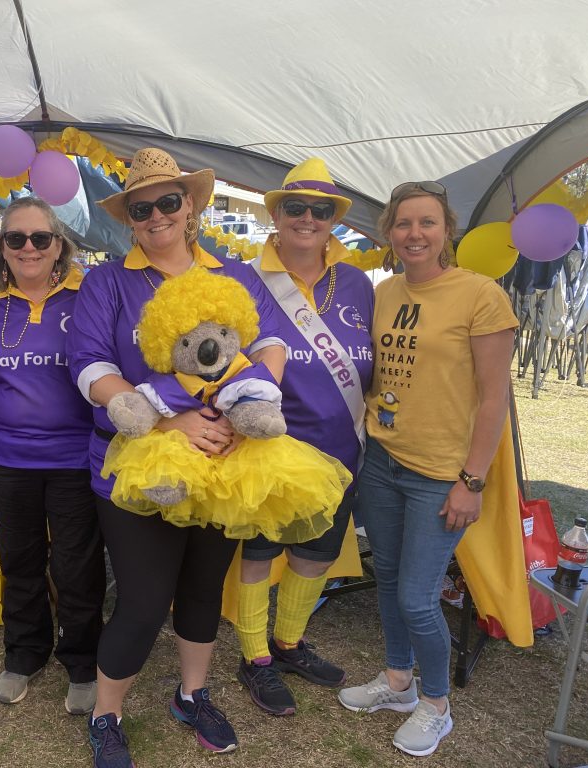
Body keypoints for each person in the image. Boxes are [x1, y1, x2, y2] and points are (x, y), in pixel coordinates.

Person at [68, 147, 288, 767]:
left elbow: (271, 342)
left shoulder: (235, 274)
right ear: (129, 219)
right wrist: (174, 416)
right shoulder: (109, 281)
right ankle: (107, 715)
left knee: (201, 590)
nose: (157, 215)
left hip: (224, 460)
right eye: (142, 208)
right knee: (142, 600)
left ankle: (193, 694)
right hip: (139, 463)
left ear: (190, 204)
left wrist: (250, 406)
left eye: (169, 201)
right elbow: (89, 366)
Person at [337, 181, 517, 757]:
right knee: (387, 579)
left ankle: (436, 705)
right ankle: (397, 681)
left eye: (427, 223)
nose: (415, 234)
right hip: (384, 460)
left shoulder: (481, 295)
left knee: (418, 596)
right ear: (389, 233)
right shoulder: (384, 291)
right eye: (403, 224)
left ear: (447, 231)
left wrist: (472, 481)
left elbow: (494, 398)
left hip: (442, 474)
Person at [233, 158, 374, 715]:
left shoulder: (360, 283)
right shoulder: (246, 278)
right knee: (259, 554)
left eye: (322, 210)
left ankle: (288, 642)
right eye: (296, 207)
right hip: (272, 449)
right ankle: (253, 657)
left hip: (342, 448)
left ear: (334, 219)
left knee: (317, 551)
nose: (308, 219)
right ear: (276, 212)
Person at [0, 197, 105, 715]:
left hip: (74, 460)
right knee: (18, 563)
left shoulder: (87, 298)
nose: (28, 248)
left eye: (40, 238)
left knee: (76, 566)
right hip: (6, 462)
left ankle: (83, 660)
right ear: (1, 246)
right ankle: (23, 654)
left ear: (58, 244)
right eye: (15, 238)